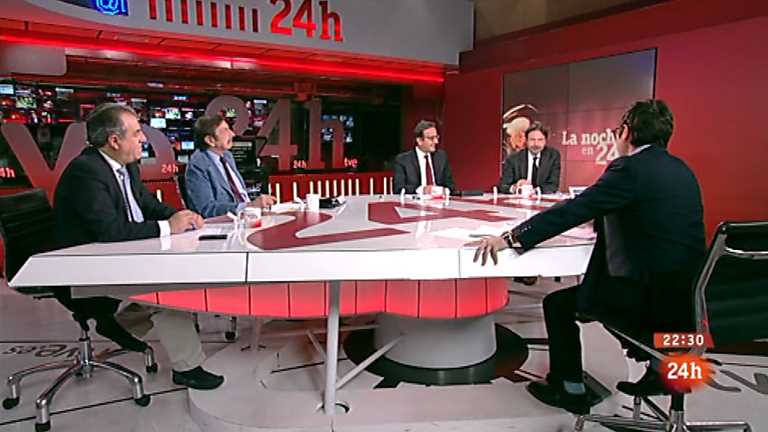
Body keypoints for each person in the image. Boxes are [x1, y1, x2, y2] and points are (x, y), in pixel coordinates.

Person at [474, 100, 705, 414]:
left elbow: (571, 211)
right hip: (685, 302)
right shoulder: (682, 170)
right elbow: (652, 217)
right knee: (599, 294)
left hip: (645, 299)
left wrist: (511, 238)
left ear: (627, 132)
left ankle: (569, 388)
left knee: (557, 304)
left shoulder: (629, 168)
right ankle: (657, 367)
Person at [54, 103, 225, 390]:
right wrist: (168, 227)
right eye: (136, 133)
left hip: (119, 255)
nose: (144, 139)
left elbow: (146, 203)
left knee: (171, 282)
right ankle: (187, 368)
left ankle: (117, 324)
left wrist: (180, 216)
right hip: (86, 266)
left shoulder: (125, 166)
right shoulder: (86, 172)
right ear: (114, 140)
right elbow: (110, 231)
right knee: (169, 293)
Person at [184, 115, 275, 218]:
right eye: (225, 130)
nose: (232, 134)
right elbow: (206, 208)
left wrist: (255, 206)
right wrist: (249, 206)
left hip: (248, 217)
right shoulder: (198, 166)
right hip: (225, 223)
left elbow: (240, 193)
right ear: (210, 140)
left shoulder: (227, 156)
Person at [393, 120, 455, 195]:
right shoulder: (403, 160)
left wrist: (445, 191)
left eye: (436, 137)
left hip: (439, 200)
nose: (436, 141)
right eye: (431, 138)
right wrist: (423, 190)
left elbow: (451, 186)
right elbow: (398, 189)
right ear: (419, 141)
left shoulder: (441, 157)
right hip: (415, 201)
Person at [498, 121, 561, 194]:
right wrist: (516, 187)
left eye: (540, 140)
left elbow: (553, 185)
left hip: (542, 197)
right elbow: (503, 186)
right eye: (532, 139)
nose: (536, 144)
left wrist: (534, 191)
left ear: (545, 141)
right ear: (526, 140)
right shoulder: (513, 159)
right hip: (520, 199)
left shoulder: (553, 156)